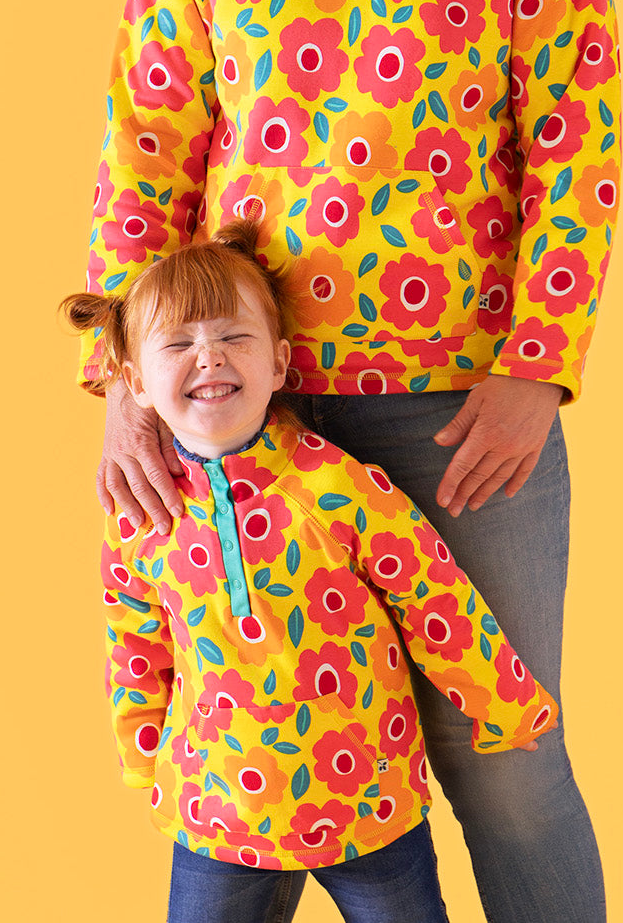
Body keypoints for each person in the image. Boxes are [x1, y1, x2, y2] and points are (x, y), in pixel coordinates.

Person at [79, 0, 620, 923]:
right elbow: (148, 150)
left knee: (508, 761)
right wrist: (126, 388)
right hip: (252, 408)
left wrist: (534, 362)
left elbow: (574, 137)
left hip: (464, 417)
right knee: (251, 778)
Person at [63, 219, 557, 923]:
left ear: (279, 362)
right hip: (217, 814)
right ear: (135, 381)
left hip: (368, 802)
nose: (209, 357)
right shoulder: (145, 515)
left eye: (234, 337)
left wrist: (503, 700)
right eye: (179, 343)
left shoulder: (338, 485)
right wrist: (142, 750)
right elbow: (133, 641)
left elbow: (432, 592)